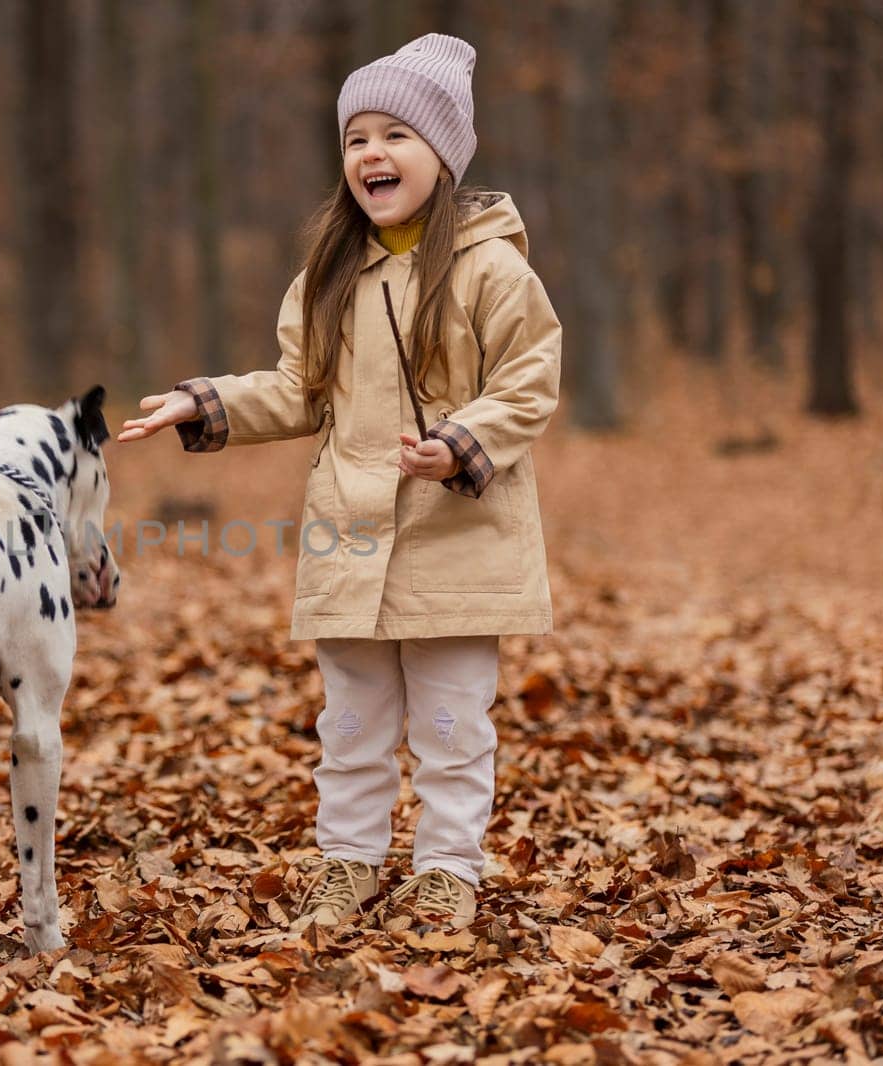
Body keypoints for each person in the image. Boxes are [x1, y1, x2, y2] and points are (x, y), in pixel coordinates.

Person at [116, 33, 561, 931]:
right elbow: (298, 387)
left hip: (459, 530)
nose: (372, 154)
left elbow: (530, 382)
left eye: (395, 135)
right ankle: (350, 862)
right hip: (348, 534)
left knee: (450, 729)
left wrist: (462, 441)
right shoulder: (329, 273)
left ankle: (446, 870)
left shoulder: (493, 269)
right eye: (357, 138)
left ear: (442, 154)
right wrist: (205, 404)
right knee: (350, 726)